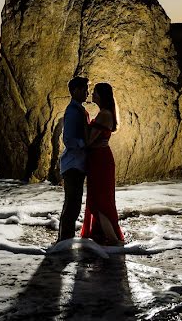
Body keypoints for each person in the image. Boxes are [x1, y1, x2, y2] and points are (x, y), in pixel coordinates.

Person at [80, 82, 124, 245]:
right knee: (99, 199)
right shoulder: (103, 113)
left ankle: (113, 239)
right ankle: (105, 235)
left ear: (102, 96)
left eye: (95, 92)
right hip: (98, 159)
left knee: (100, 201)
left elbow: (90, 141)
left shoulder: (104, 114)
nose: (92, 94)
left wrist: (84, 121)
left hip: (100, 160)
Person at [57, 76, 89, 242]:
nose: (87, 93)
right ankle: (64, 240)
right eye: (84, 90)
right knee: (72, 205)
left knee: (74, 204)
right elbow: (68, 140)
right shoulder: (72, 111)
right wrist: (86, 143)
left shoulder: (78, 109)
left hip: (76, 164)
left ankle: (65, 239)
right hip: (72, 165)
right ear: (74, 91)